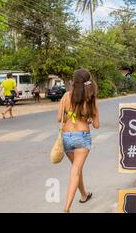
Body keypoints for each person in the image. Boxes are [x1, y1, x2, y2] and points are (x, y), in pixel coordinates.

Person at [57, 69, 100, 213]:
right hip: (82, 136)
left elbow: (58, 119)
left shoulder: (65, 96)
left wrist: (69, 114)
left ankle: (83, 194)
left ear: (74, 82)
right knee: (75, 170)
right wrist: (87, 118)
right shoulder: (91, 98)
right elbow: (96, 125)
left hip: (67, 136)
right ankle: (67, 208)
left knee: (76, 168)